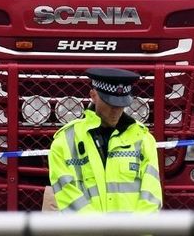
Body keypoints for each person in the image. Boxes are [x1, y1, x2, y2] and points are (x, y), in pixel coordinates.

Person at [48, 68, 162, 213]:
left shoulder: (143, 138)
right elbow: (67, 196)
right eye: (110, 104)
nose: (116, 110)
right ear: (93, 95)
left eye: (121, 105)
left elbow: (151, 197)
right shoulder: (64, 141)